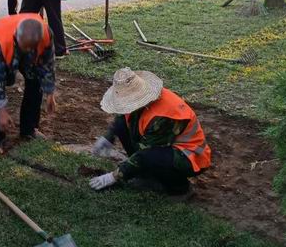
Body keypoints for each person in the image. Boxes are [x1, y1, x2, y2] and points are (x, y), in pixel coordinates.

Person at [88, 67, 211, 196]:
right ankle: (146, 174)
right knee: (122, 125)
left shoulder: (163, 117)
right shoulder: (141, 104)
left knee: (151, 157)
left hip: (190, 157)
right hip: (163, 147)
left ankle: (180, 188)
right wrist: (109, 136)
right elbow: (122, 118)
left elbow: (147, 154)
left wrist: (115, 176)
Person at [0, 14, 56, 146]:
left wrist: (50, 93)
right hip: (4, 49)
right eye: (25, 47)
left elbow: (48, 64)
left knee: (35, 80)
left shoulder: (46, 34)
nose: (28, 50)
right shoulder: (0, 42)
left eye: (31, 47)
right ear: (16, 37)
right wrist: (2, 111)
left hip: (26, 43)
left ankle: (29, 129)